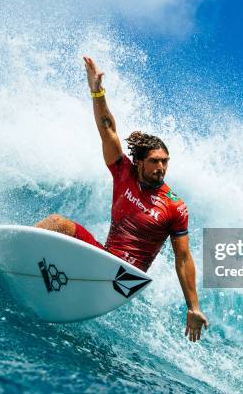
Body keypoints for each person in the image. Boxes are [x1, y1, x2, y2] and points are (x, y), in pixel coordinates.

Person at [35, 56, 208, 342]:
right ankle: (21, 259)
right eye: (154, 161)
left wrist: (193, 306)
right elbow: (107, 128)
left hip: (126, 276)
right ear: (139, 162)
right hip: (103, 258)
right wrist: (96, 91)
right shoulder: (122, 171)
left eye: (165, 161)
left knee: (107, 261)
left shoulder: (175, 206)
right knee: (57, 223)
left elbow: (183, 257)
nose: (161, 168)